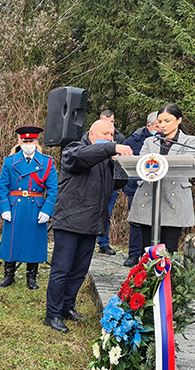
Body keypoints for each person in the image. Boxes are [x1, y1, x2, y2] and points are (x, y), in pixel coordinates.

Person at [45, 119, 133, 333]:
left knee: (79, 271)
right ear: (92, 135)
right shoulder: (74, 149)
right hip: (70, 221)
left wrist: (119, 162)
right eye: (106, 134)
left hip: (92, 223)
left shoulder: (105, 158)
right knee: (62, 269)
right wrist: (111, 148)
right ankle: (53, 314)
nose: (110, 139)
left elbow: (119, 183)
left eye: (112, 135)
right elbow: (82, 158)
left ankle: (67, 306)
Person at [127, 104, 195, 253]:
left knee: (169, 249)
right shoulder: (149, 141)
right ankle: (148, 277)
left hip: (174, 199)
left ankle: (166, 277)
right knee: (147, 248)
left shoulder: (190, 141)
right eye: (160, 121)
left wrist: (156, 165)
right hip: (148, 198)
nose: (162, 125)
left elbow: (186, 165)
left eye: (167, 120)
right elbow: (142, 164)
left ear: (179, 120)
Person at [0, 126, 58, 290]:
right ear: (20, 141)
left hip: (35, 207)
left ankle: (31, 278)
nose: (28, 143)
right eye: (25, 141)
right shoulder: (9, 161)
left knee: (34, 242)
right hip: (15, 205)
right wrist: (4, 207)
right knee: (11, 241)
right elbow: (2, 187)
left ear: (36, 141)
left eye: (31, 141)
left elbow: (52, 189)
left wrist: (47, 210)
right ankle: (8, 276)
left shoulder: (47, 162)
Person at [120, 111, 159, 267]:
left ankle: (150, 255)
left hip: (157, 189)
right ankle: (133, 254)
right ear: (149, 126)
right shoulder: (134, 140)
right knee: (136, 223)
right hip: (136, 187)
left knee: (154, 223)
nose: (160, 128)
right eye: (157, 126)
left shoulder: (165, 140)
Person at [95, 109, 126, 255]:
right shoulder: (90, 136)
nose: (109, 125)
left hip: (111, 182)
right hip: (93, 182)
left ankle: (103, 242)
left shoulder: (120, 138)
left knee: (106, 213)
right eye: (106, 122)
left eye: (112, 122)